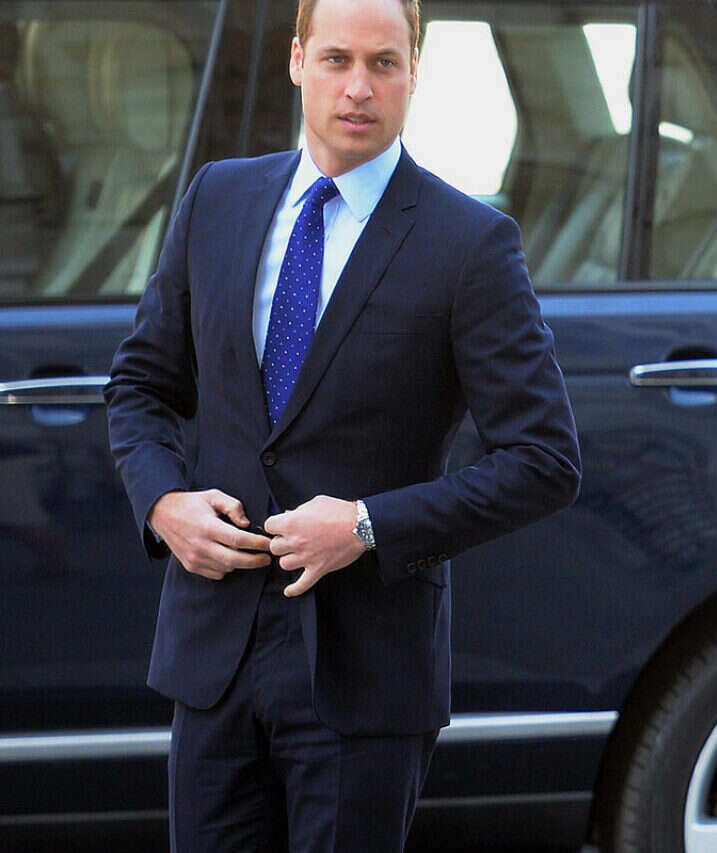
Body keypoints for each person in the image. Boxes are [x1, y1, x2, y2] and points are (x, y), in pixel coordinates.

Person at [103, 0, 582, 849]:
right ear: (297, 61)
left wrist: (366, 525)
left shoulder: (470, 244)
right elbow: (140, 385)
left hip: (367, 673)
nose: (358, 87)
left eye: (383, 63)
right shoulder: (216, 199)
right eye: (336, 59)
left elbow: (544, 459)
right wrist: (164, 505)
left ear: (414, 71)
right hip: (212, 655)